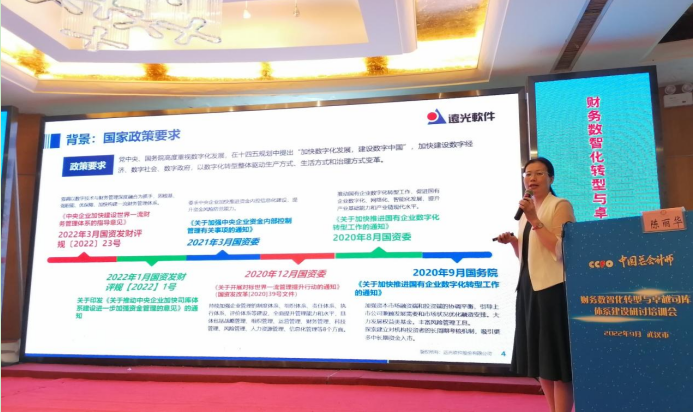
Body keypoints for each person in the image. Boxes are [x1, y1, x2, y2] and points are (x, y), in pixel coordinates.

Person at [496, 157, 575, 412]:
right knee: (541, 362)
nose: (532, 178)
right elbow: (529, 256)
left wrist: (534, 220)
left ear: (551, 178)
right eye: (528, 174)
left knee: (557, 363)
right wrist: (513, 242)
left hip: (553, 290)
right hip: (529, 288)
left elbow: (561, 251)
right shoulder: (526, 211)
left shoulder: (560, 205)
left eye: (539, 173)